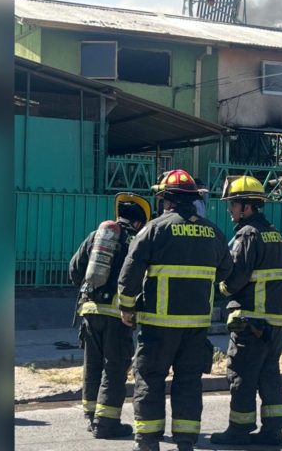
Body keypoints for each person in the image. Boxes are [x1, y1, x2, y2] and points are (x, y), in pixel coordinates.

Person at [117, 169, 233, 451]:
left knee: (150, 380)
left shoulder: (154, 228)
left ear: (166, 200)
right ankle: (185, 442)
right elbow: (227, 270)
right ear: (192, 200)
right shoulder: (213, 231)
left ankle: (147, 441)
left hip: (158, 325)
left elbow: (130, 271)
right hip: (195, 327)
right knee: (189, 383)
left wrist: (127, 306)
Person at [210, 175, 282, 447]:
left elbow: (236, 278)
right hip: (274, 321)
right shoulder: (274, 233)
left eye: (233, 204)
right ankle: (273, 430)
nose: (230, 209)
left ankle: (239, 430)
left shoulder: (247, 235)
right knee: (269, 373)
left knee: (241, 374)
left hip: (251, 319)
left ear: (246, 207)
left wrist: (220, 289)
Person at [68, 192, 151, 439]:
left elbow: (74, 269)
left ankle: (92, 416)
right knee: (114, 367)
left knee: (92, 364)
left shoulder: (98, 236)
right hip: (118, 314)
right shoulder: (136, 240)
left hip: (90, 310)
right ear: (138, 222)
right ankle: (107, 423)